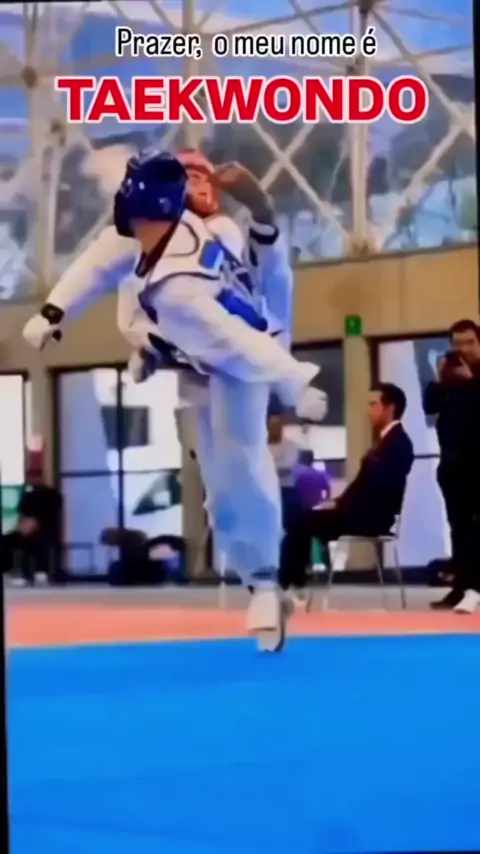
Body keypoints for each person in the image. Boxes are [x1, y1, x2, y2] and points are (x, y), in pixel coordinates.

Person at [22, 150, 323, 652]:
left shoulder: (219, 242)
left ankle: (267, 583)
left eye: (205, 176)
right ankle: (259, 582)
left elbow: (248, 317)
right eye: (188, 177)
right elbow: (98, 264)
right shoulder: (151, 239)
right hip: (193, 364)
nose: (199, 183)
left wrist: (292, 379)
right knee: (219, 497)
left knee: (244, 460)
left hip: (244, 355)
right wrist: (55, 312)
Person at [279, 383, 413, 594]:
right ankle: (291, 581)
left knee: (302, 520)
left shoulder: (398, 444)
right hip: (360, 511)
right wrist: (337, 502)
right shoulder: (385, 441)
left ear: (390, 408)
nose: (369, 411)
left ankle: (289, 583)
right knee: (303, 518)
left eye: (373, 404)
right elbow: (361, 484)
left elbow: (378, 488)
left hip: (373, 517)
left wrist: (341, 507)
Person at [424, 319, 480, 613]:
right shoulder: (448, 377)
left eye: (469, 343)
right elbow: (429, 406)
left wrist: (471, 381)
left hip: (478, 462)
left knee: (476, 528)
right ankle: (461, 587)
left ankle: (475, 588)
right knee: (458, 528)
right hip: (452, 462)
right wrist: (440, 378)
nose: (463, 349)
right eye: (457, 344)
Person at [2, 468, 63, 585]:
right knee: (10, 542)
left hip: (46, 530)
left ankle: (39, 573)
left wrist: (33, 524)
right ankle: (21, 572)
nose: (32, 480)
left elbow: (50, 515)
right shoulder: (28, 495)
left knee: (37, 545)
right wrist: (22, 527)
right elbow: (23, 515)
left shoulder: (51, 495)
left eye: (34, 477)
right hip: (30, 530)